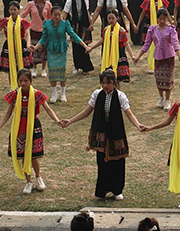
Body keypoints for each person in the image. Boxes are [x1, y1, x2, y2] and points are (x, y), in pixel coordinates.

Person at [59, 71, 144, 202]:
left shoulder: (120, 96)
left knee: (117, 161)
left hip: (116, 132)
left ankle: (117, 190)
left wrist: (138, 125)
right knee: (102, 162)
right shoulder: (97, 94)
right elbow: (87, 111)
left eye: (108, 83)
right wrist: (70, 120)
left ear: (114, 83)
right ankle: (103, 189)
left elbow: (129, 113)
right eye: (103, 83)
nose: (105, 86)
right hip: (101, 133)